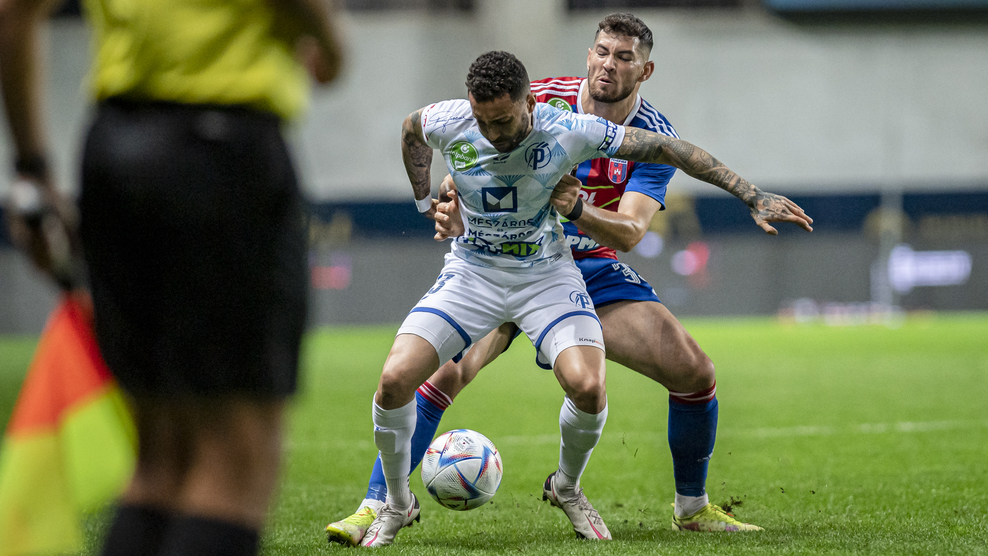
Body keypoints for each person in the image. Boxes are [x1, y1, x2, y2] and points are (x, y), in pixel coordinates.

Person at [326, 14, 813, 547]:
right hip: (494, 261)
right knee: (441, 374)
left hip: (584, 267)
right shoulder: (537, 98)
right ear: (587, 55)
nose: (608, 65)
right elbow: (472, 156)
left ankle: (691, 507)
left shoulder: (650, 135)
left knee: (692, 370)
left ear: (645, 70)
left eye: (623, 57)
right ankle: (378, 503)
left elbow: (629, 233)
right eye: (602, 52)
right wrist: (446, 203)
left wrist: (579, 209)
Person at [0, 1, 343, 554]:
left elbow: (13, 12)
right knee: (234, 458)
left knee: (158, 458)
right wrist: (330, 44)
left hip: (112, 152)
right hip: (223, 154)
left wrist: (31, 168)